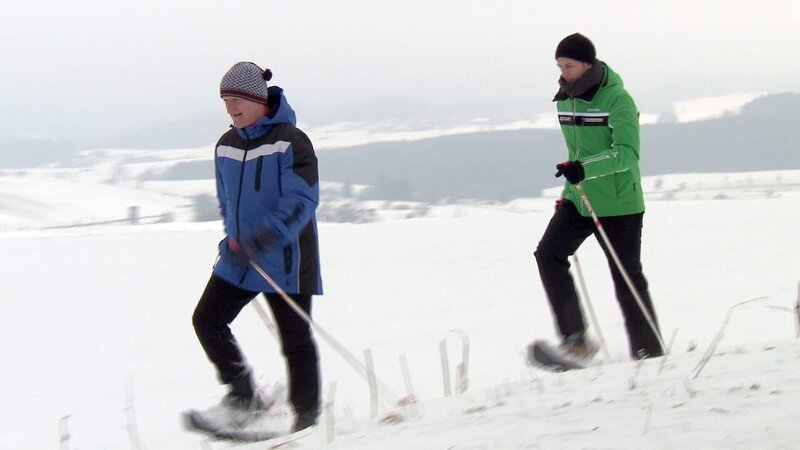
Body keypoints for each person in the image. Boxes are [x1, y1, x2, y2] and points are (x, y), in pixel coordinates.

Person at [192, 61, 323, 432]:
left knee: (294, 340)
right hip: (239, 259)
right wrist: (231, 240)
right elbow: (227, 202)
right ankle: (243, 396)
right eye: (225, 100)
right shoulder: (226, 145)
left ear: (258, 99)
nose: (231, 108)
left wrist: (262, 240)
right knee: (207, 321)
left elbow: (302, 201)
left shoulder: (291, 141)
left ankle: (307, 421)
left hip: (285, 258)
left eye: (237, 100)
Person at [534, 33, 663, 364]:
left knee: (626, 278)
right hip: (579, 199)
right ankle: (576, 341)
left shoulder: (618, 99)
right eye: (560, 66)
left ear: (588, 65)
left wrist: (584, 169)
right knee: (548, 254)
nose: (563, 72)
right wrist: (568, 192)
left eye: (570, 65)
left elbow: (627, 154)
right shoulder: (565, 99)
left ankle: (648, 354)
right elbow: (574, 156)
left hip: (620, 203)